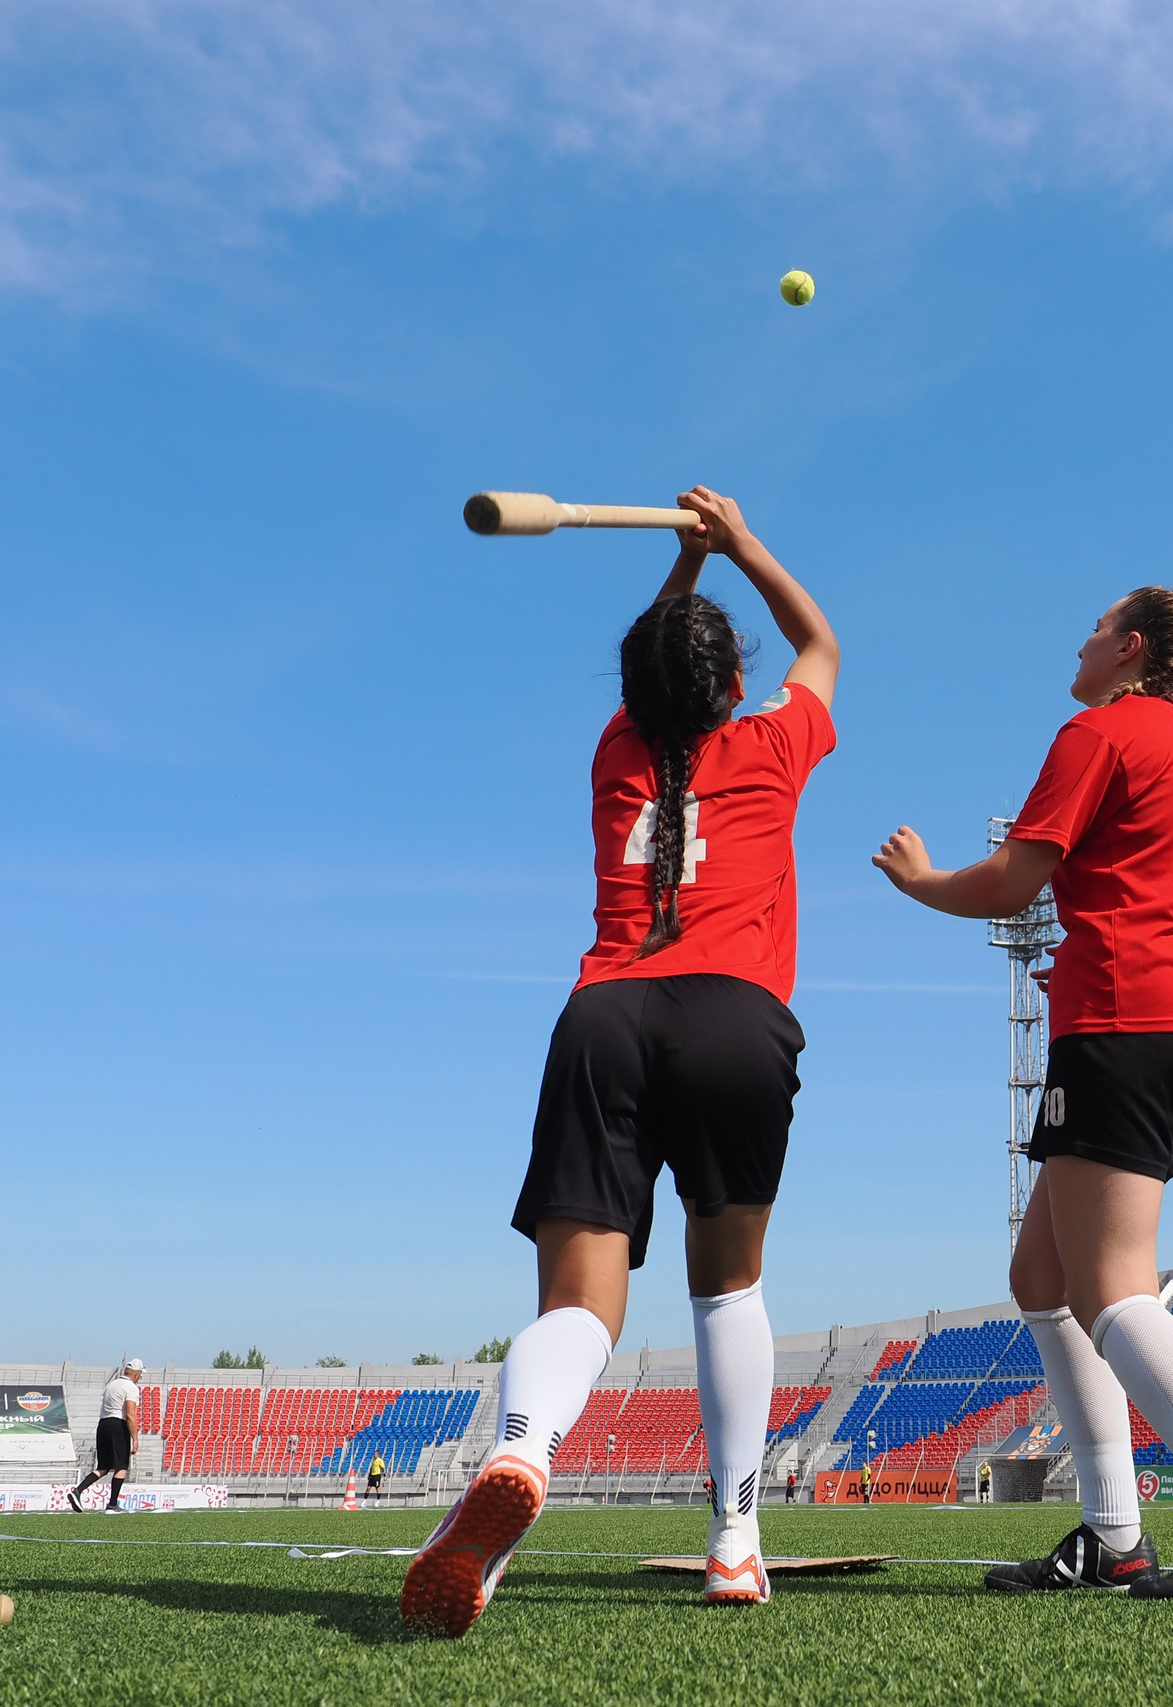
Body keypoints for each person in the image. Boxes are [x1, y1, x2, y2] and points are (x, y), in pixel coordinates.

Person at [400, 488, 840, 1637]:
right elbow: (819, 643)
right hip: (736, 1020)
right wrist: (737, 543)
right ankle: (735, 1545)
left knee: (578, 1303)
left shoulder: (615, 753)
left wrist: (684, 570)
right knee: (727, 1286)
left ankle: (522, 1454)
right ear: (732, 687)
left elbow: (655, 669)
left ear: (634, 693)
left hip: (606, 1018)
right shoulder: (774, 742)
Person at [874, 587, 1173, 1604]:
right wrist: (1146, 933)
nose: (1079, 641)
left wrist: (919, 879)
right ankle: (1114, 1537)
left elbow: (1007, 885)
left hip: (1123, 1023)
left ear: (1131, 648)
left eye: (1096, 628)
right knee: (1042, 1274)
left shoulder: (1104, 731)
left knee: (1112, 1285)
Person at [71, 1358, 143, 1511]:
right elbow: (130, 1414)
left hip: (103, 1424)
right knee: (121, 1466)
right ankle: (112, 1504)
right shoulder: (131, 1387)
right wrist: (135, 1439)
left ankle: (78, 1491)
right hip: (118, 1425)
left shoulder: (112, 1384)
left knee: (103, 1467)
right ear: (136, 1374)